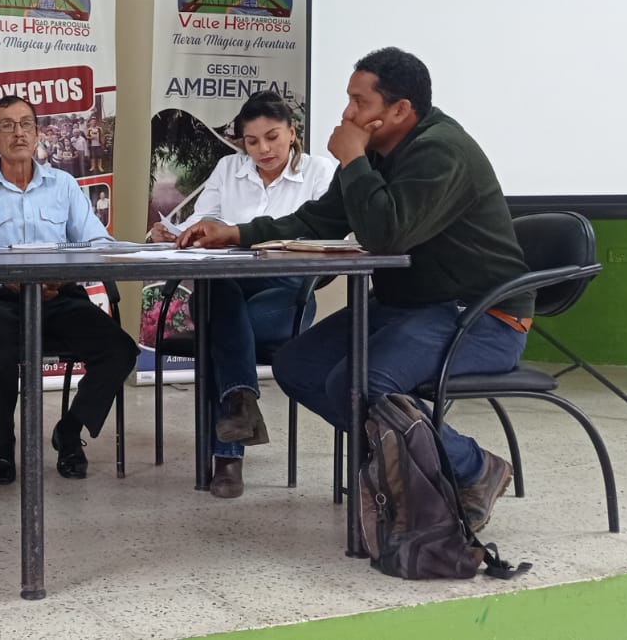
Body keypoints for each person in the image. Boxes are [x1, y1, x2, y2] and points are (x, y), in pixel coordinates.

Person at [179, 47, 527, 530]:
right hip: (409, 307)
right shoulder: (379, 153)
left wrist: (354, 158)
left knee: (360, 382)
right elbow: (318, 220)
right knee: (297, 365)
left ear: (400, 110)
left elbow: (387, 235)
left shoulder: (440, 151)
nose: (347, 113)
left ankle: (470, 467)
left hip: (481, 316)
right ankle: (415, 464)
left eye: (360, 103)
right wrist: (235, 233)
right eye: (349, 100)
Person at [150, 91, 337, 498]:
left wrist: (245, 236)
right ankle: (238, 403)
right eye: (251, 141)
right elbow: (205, 218)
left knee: (219, 333)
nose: (263, 150)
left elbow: (322, 232)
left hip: (288, 292)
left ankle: (229, 455)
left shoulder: (320, 172)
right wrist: (180, 232)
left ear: (292, 132)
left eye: (272, 137)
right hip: (229, 284)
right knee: (218, 297)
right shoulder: (228, 168)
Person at [0, 95, 138, 483]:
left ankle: (70, 430)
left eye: (26, 124)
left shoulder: (63, 185)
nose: (18, 133)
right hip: (4, 300)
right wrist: (4, 281)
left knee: (120, 350)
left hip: (60, 297)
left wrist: (63, 278)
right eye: (7, 125)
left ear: (38, 133)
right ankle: (2, 441)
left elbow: (97, 242)